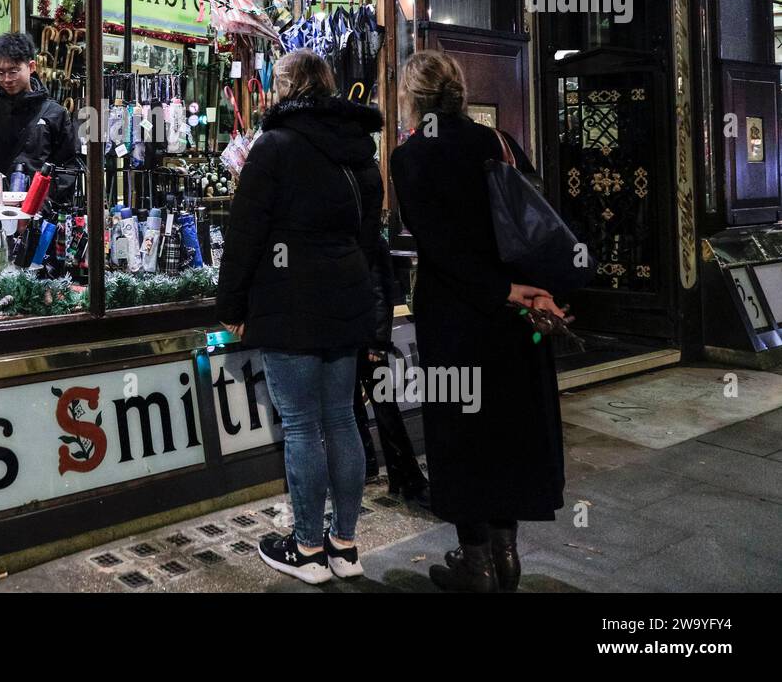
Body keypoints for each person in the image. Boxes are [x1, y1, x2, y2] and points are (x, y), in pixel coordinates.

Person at [389, 49, 566, 593]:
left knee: (460, 430)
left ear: (413, 99)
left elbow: (439, 250)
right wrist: (526, 290)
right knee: (506, 428)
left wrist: (497, 289)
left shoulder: (409, 157)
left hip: (457, 316)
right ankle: (506, 553)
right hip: (514, 315)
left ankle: (476, 560)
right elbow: (536, 222)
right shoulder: (500, 143)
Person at [216, 49, 384, 584]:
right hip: (347, 297)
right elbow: (368, 231)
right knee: (341, 419)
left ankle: (308, 548)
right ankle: (345, 545)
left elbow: (245, 234)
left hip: (290, 302)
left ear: (287, 86)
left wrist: (232, 305)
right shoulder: (358, 147)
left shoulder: (275, 146)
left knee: (302, 426)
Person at [352, 233, 430, 507]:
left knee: (384, 410)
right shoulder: (356, 237)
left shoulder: (368, 240)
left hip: (364, 340)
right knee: (363, 409)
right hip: (351, 339)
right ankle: (385, 473)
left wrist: (377, 343)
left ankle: (406, 477)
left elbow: (379, 293)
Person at [0, 31, 80, 200]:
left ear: (31, 67)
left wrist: (43, 204)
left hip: (38, 214)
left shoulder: (55, 114)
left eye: (13, 71)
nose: (7, 79)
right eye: (0, 72)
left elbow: (67, 169)